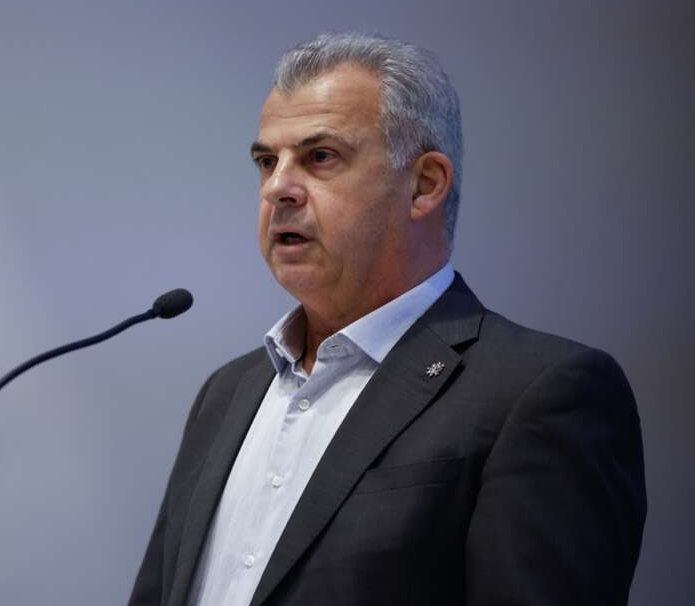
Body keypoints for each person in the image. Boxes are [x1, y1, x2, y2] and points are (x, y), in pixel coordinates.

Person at [127, 32, 646, 606]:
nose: (277, 188)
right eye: (267, 162)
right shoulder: (226, 392)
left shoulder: (540, 392)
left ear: (424, 186)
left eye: (320, 157)